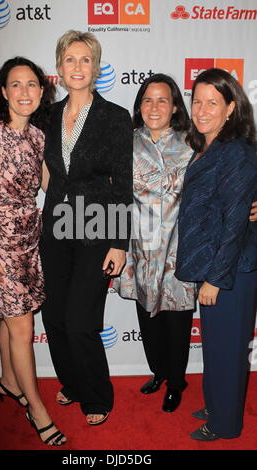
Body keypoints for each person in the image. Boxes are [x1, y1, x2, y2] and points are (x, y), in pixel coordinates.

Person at [0, 57, 66, 446]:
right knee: (22, 325)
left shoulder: (39, 136)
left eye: (32, 85)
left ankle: (7, 381)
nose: (25, 92)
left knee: (10, 318)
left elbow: (53, 185)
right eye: (16, 85)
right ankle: (36, 408)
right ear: (2, 91)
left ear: (42, 91)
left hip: (28, 240)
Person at [40, 30, 133, 425]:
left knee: (80, 320)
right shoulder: (46, 115)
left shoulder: (115, 117)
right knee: (54, 317)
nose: (77, 67)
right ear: (59, 67)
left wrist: (119, 242)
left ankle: (97, 395)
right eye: (70, 59)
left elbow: (124, 182)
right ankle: (73, 383)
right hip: (56, 227)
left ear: (96, 67)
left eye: (85, 60)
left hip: (98, 227)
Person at [176, 68, 257, 441]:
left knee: (226, 351)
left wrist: (215, 279)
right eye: (198, 101)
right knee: (216, 347)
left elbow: (236, 222)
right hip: (214, 266)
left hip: (232, 271)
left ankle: (225, 425)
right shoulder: (206, 147)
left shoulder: (236, 152)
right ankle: (216, 403)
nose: (203, 110)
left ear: (230, 108)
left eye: (213, 102)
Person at [113, 74, 196, 412]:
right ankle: (159, 372)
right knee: (148, 319)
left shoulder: (194, 143)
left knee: (177, 321)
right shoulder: (126, 142)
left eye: (163, 100)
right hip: (139, 250)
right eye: (148, 99)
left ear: (175, 106)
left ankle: (177, 382)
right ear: (140, 106)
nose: (155, 106)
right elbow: (113, 193)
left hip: (179, 250)